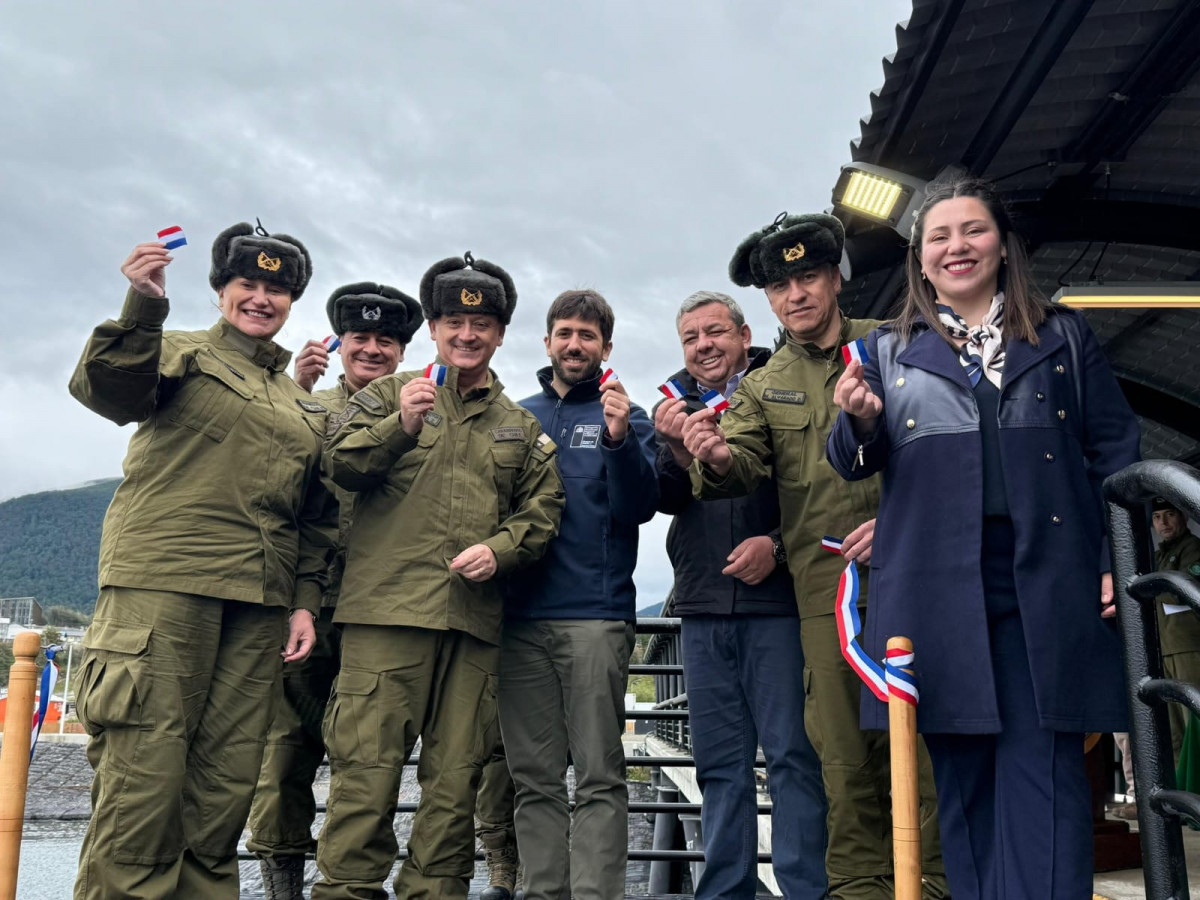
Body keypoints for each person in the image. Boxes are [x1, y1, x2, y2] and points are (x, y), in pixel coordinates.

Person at [826, 176, 1141, 899]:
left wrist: (1111, 562)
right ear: (920, 256)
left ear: (1002, 246)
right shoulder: (884, 350)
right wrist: (861, 419)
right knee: (961, 785)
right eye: (939, 236)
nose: (955, 247)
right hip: (935, 595)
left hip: (1047, 582)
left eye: (972, 231)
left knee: (1048, 781)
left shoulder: (1064, 336)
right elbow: (850, 462)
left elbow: (1115, 454)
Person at [67, 222, 336, 899]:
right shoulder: (176, 350)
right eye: (248, 283)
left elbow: (313, 516)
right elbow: (109, 392)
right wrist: (143, 304)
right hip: (164, 587)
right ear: (220, 290)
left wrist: (303, 600)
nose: (262, 297)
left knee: (223, 792)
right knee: (143, 785)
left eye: (277, 288)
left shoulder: (298, 401)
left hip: (258, 607)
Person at [682, 212, 946, 900]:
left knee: (923, 745)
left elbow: (947, 453)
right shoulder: (764, 387)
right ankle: (856, 888)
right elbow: (738, 462)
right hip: (822, 598)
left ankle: (935, 885)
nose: (794, 294)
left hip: (915, 575)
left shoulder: (896, 346)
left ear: (834, 278)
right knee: (839, 756)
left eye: (806, 276)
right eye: (779, 285)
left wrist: (897, 523)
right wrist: (711, 454)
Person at [313, 253, 565, 900]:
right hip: (384, 617)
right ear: (433, 326)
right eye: (453, 321)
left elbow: (542, 513)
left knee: (455, 785)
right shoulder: (384, 394)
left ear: (501, 333)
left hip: (473, 625)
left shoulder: (520, 426)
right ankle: (345, 890)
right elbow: (338, 465)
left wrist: (502, 549)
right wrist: (400, 427)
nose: (467, 334)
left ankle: (435, 891)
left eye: (482, 324)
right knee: (364, 776)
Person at [248, 282, 423, 899]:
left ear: (402, 351)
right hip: (306, 603)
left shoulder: (421, 415)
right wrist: (292, 390)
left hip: (381, 607)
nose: (372, 350)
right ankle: (281, 879)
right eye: (360, 339)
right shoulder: (306, 405)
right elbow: (266, 475)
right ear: (340, 344)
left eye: (386, 340)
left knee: (366, 754)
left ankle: (346, 879)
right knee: (287, 747)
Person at [654, 290, 827, 899]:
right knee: (720, 768)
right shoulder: (671, 405)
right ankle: (724, 891)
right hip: (703, 606)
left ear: (744, 335)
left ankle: (807, 888)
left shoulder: (781, 389)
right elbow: (665, 499)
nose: (704, 346)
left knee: (792, 758)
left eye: (715, 332)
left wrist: (775, 548)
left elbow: (816, 491)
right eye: (691, 337)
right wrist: (674, 448)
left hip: (777, 607)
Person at [499, 289, 658, 900]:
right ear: (546, 342)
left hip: (595, 617)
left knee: (598, 775)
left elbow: (641, 506)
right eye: (564, 333)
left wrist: (618, 440)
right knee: (533, 777)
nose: (574, 344)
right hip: (518, 619)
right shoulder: (516, 416)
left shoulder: (628, 415)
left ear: (606, 348)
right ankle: (543, 892)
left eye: (587, 336)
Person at [1151, 497, 1200, 760]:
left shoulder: (1193, 548)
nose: (1163, 523)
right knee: (1173, 730)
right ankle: (1185, 794)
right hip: (1164, 648)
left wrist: (1151, 588)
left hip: (1188, 647)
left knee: (1194, 720)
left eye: (1169, 514)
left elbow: (1181, 592)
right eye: (1157, 517)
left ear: (1183, 517)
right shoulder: (1158, 556)